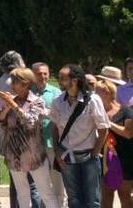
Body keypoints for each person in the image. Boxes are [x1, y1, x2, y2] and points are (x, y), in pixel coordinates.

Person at [0, 68, 59, 208]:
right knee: (22, 194)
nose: (12, 85)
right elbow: (0, 121)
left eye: (15, 82)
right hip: (13, 155)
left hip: (34, 156)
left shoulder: (36, 101)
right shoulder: (10, 99)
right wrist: (7, 106)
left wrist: (13, 106)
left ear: (26, 83)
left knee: (46, 193)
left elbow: (30, 122)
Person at [50, 65, 110, 208]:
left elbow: (103, 129)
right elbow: (53, 127)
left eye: (63, 78)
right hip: (67, 158)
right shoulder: (58, 102)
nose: (59, 81)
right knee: (73, 199)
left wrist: (95, 153)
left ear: (75, 80)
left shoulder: (93, 100)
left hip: (89, 158)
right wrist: (57, 151)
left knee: (92, 201)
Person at [94, 70, 133, 208]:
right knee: (106, 196)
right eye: (95, 91)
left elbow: (128, 133)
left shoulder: (126, 110)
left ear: (110, 93)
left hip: (124, 159)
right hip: (104, 159)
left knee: (124, 195)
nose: (96, 95)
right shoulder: (96, 111)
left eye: (100, 92)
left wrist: (108, 123)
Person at [32, 62, 65, 208]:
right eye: (39, 73)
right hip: (34, 144)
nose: (42, 76)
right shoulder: (28, 92)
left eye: (45, 73)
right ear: (33, 74)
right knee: (42, 183)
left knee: (57, 180)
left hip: (52, 142)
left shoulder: (56, 92)